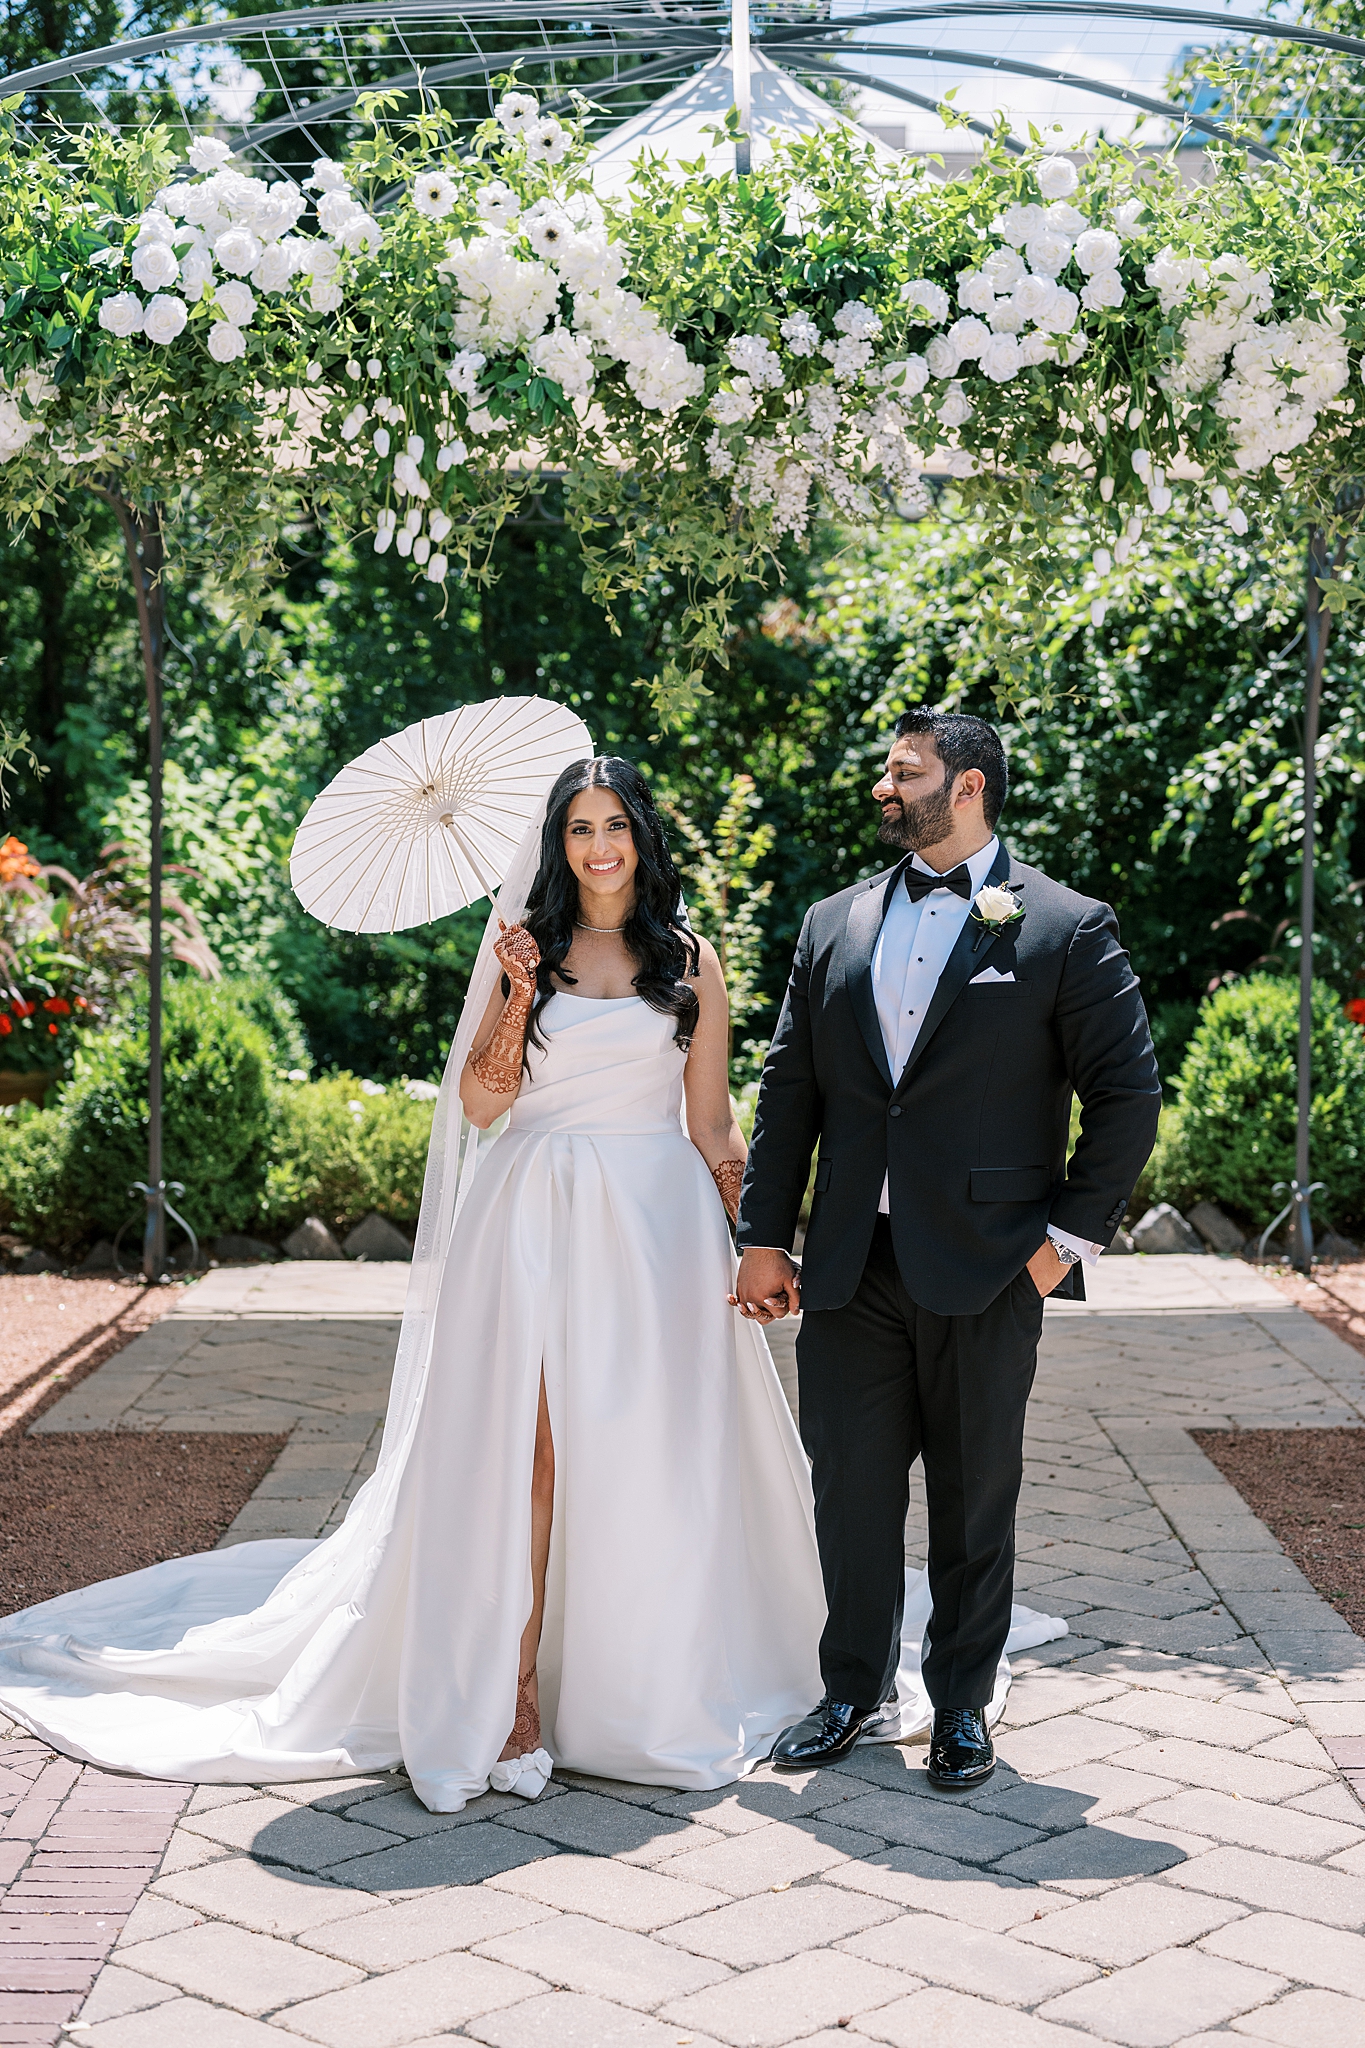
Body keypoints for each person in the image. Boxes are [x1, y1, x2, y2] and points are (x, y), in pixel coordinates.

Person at [0, 746, 1065, 1809]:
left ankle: (642, 1684)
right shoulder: (523, 950)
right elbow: (480, 1103)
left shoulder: (692, 959)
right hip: (530, 1220)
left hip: (655, 1228)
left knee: (647, 1454)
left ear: (642, 834)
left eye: (614, 824)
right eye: (577, 829)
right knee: (533, 1455)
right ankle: (513, 1698)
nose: (599, 846)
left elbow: (711, 1119)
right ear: (558, 846)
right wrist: (512, 991)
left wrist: (760, 1237)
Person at [733, 706, 1160, 1791]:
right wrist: (765, 1238)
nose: (885, 787)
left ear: (966, 786)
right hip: (846, 1268)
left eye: (905, 771)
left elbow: (1128, 1096)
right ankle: (852, 1690)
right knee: (852, 1494)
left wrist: (1062, 1245)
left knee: (976, 1494)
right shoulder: (831, 923)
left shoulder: (1065, 925)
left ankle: (962, 1704)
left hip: (989, 1265)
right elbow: (791, 1092)